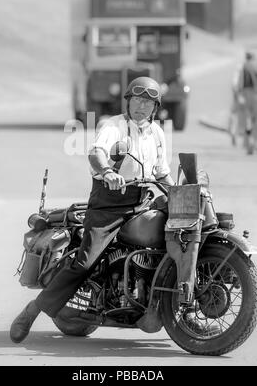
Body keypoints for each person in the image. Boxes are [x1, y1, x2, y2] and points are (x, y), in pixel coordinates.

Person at [10, 76, 174, 343]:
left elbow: (162, 173)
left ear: (155, 107)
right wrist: (108, 171)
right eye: (137, 100)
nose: (142, 106)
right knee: (85, 262)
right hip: (108, 205)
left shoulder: (156, 134)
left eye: (148, 102)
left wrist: (180, 191)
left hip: (140, 204)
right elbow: (96, 153)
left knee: (170, 233)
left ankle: (155, 300)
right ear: (129, 101)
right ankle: (31, 311)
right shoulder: (113, 126)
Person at [231, 51, 257, 151]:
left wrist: (239, 95)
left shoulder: (243, 67)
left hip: (246, 94)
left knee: (247, 119)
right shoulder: (254, 66)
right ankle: (253, 142)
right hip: (255, 94)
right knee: (255, 120)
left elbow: (239, 84)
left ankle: (247, 142)